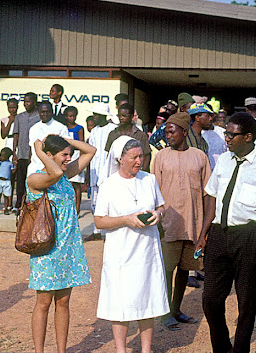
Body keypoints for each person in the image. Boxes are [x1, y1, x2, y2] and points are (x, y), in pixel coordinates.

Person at [196, 113, 256, 353]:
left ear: (248, 137)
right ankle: (222, 347)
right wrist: (203, 233)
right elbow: (212, 196)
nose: (226, 138)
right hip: (219, 234)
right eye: (226, 133)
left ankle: (241, 349)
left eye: (230, 134)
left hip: (251, 237)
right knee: (211, 300)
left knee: (246, 301)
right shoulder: (224, 160)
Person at [95, 137, 169, 353]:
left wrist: (157, 214)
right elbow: (100, 221)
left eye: (141, 156)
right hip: (121, 252)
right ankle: (121, 349)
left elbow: (162, 206)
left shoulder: (149, 180)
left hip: (147, 250)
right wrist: (126, 219)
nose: (140, 161)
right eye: (134, 157)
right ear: (120, 159)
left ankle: (146, 349)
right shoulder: (108, 185)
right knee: (121, 301)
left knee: (148, 298)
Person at [26, 134, 96, 353]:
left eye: (69, 155)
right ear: (49, 156)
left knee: (64, 302)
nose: (68, 158)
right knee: (44, 302)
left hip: (69, 249)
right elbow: (54, 172)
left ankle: (61, 351)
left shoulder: (65, 176)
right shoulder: (36, 179)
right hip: (47, 250)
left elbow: (91, 151)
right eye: (64, 154)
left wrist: (66, 139)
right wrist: (38, 152)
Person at [152, 112, 211, 330]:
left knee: (185, 269)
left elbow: (207, 193)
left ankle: (176, 308)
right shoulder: (161, 157)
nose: (167, 135)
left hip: (192, 224)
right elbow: (154, 192)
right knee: (167, 269)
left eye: (171, 131)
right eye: (166, 131)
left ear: (184, 132)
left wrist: (205, 226)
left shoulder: (199, 156)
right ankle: (165, 311)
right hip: (168, 224)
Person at [86, 103, 118, 240]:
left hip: (108, 172)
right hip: (95, 171)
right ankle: (96, 231)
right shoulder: (94, 131)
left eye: (96, 115)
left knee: (109, 202)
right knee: (95, 202)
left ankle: (109, 231)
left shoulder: (113, 129)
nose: (94, 118)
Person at [12, 92, 40, 214]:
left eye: (28, 101)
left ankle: (33, 205)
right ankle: (19, 204)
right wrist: (14, 153)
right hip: (22, 154)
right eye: (24, 101)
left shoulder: (39, 117)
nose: (25, 104)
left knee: (34, 181)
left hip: (35, 155)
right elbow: (16, 135)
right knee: (20, 180)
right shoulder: (19, 117)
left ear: (34, 102)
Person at [105, 103, 152, 171]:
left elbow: (147, 155)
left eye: (124, 116)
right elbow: (109, 155)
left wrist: (142, 172)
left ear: (132, 116)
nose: (121, 118)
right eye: (119, 115)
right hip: (117, 173)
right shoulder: (113, 134)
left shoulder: (140, 135)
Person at [28, 102, 71, 175]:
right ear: (39, 112)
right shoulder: (33, 128)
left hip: (53, 171)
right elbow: (31, 150)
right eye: (43, 112)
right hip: (35, 168)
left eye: (47, 111)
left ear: (52, 112)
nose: (45, 114)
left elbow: (67, 149)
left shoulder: (61, 128)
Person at [64, 106, 85, 214]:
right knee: (68, 183)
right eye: (70, 116)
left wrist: (81, 159)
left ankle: (77, 208)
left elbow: (82, 144)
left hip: (76, 154)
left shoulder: (79, 128)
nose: (72, 118)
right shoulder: (63, 128)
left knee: (77, 184)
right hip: (66, 156)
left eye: (74, 116)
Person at [0, 147, 15, 215]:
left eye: (2, 156)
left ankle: (6, 209)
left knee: (6, 196)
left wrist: (16, 166)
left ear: (7, 157)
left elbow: (12, 172)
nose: (0, 157)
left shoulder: (10, 163)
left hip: (7, 181)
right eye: (0, 155)